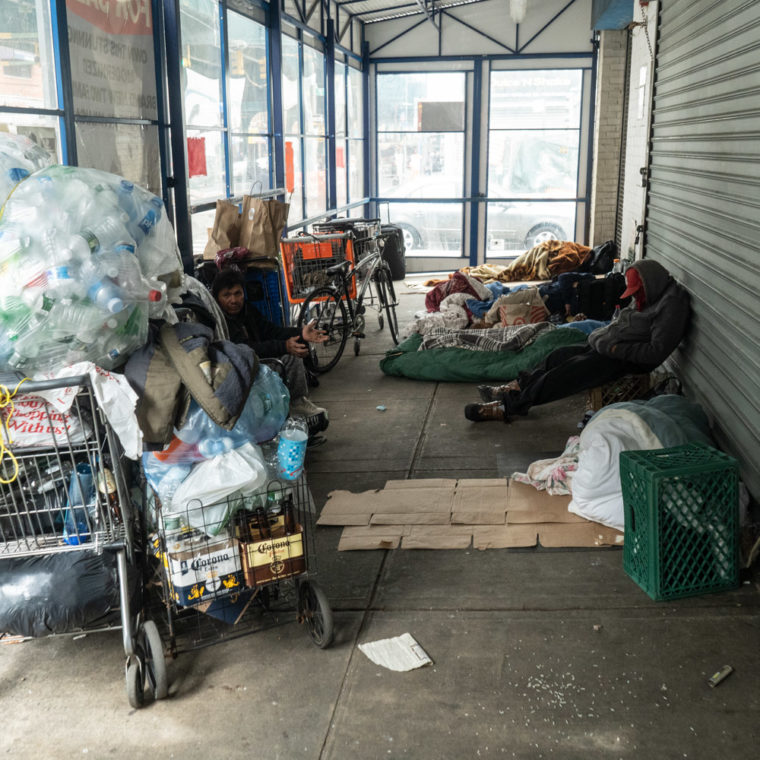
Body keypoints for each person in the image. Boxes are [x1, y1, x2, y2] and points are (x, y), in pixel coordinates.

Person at [465, 259, 690, 422]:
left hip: (622, 358)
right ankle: (517, 385)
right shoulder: (651, 294)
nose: (634, 298)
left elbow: (655, 352)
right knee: (557, 357)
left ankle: (508, 406)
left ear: (650, 284)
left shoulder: (671, 306)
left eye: (636, 292)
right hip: (608, 347)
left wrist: (612, 346)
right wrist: (604, 338)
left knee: (565, 374)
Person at [211, 268, 329, 435]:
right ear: (217, 298)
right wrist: (284, 346)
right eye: (227, 295)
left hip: (258, 361)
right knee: (290, 358)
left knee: (295, 350)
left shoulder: (248, 311)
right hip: (240, 371)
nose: (234, 300)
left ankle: (298, 402)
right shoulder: (220, 321)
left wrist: (300, 333)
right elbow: (245, 349)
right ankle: (294, 405)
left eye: (238, 293)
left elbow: (271, 331)